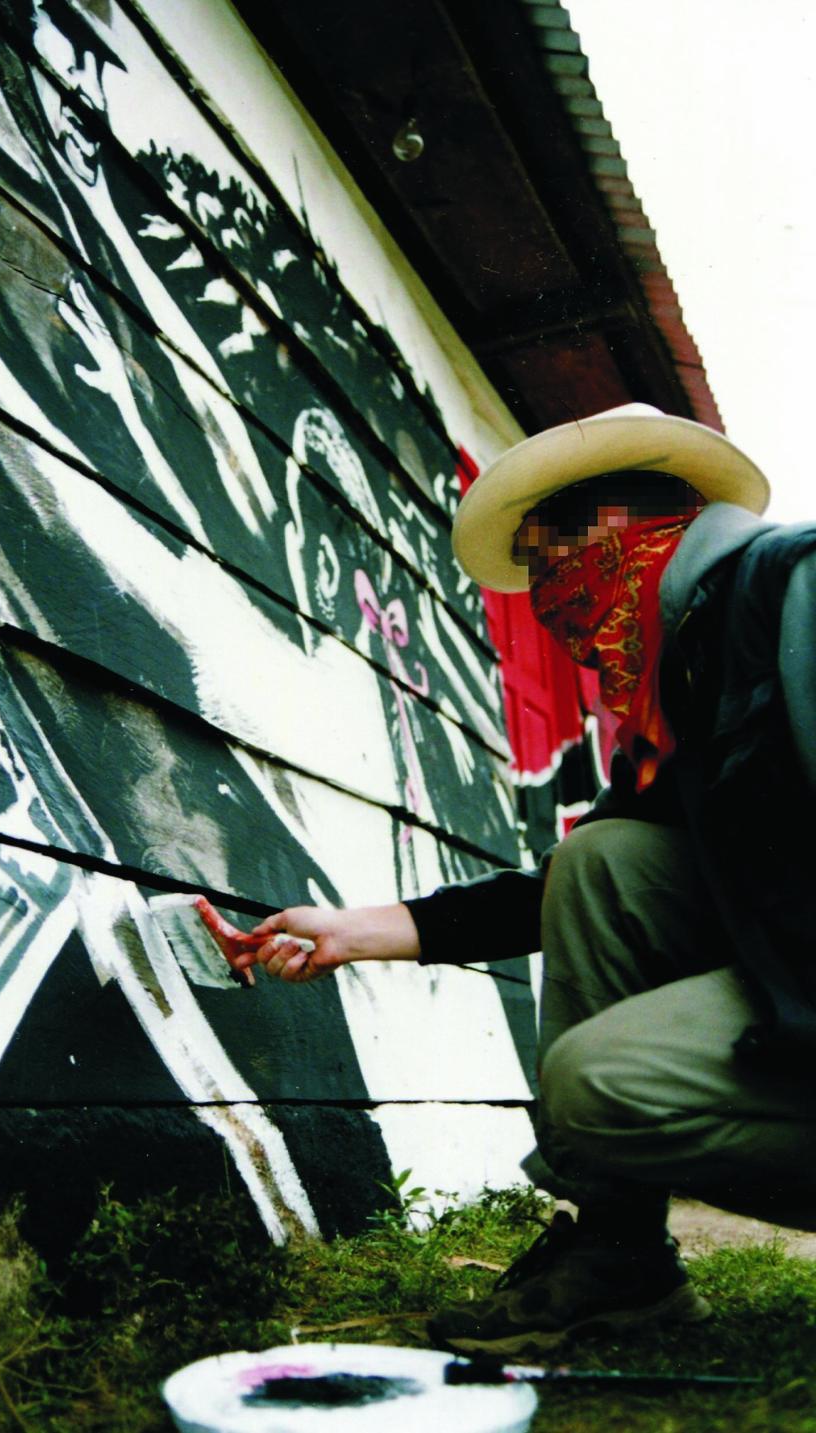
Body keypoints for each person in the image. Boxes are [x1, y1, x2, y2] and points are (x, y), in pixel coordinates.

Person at [213, 402, 816, 1354]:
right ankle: (620, 1262)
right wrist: (358, 929)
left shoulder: (797, 594)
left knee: (596, 1084)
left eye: (560, 559)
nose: (551, 601)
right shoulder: (688, 680)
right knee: (603, 860)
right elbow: (576, 887)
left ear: (636, 533)